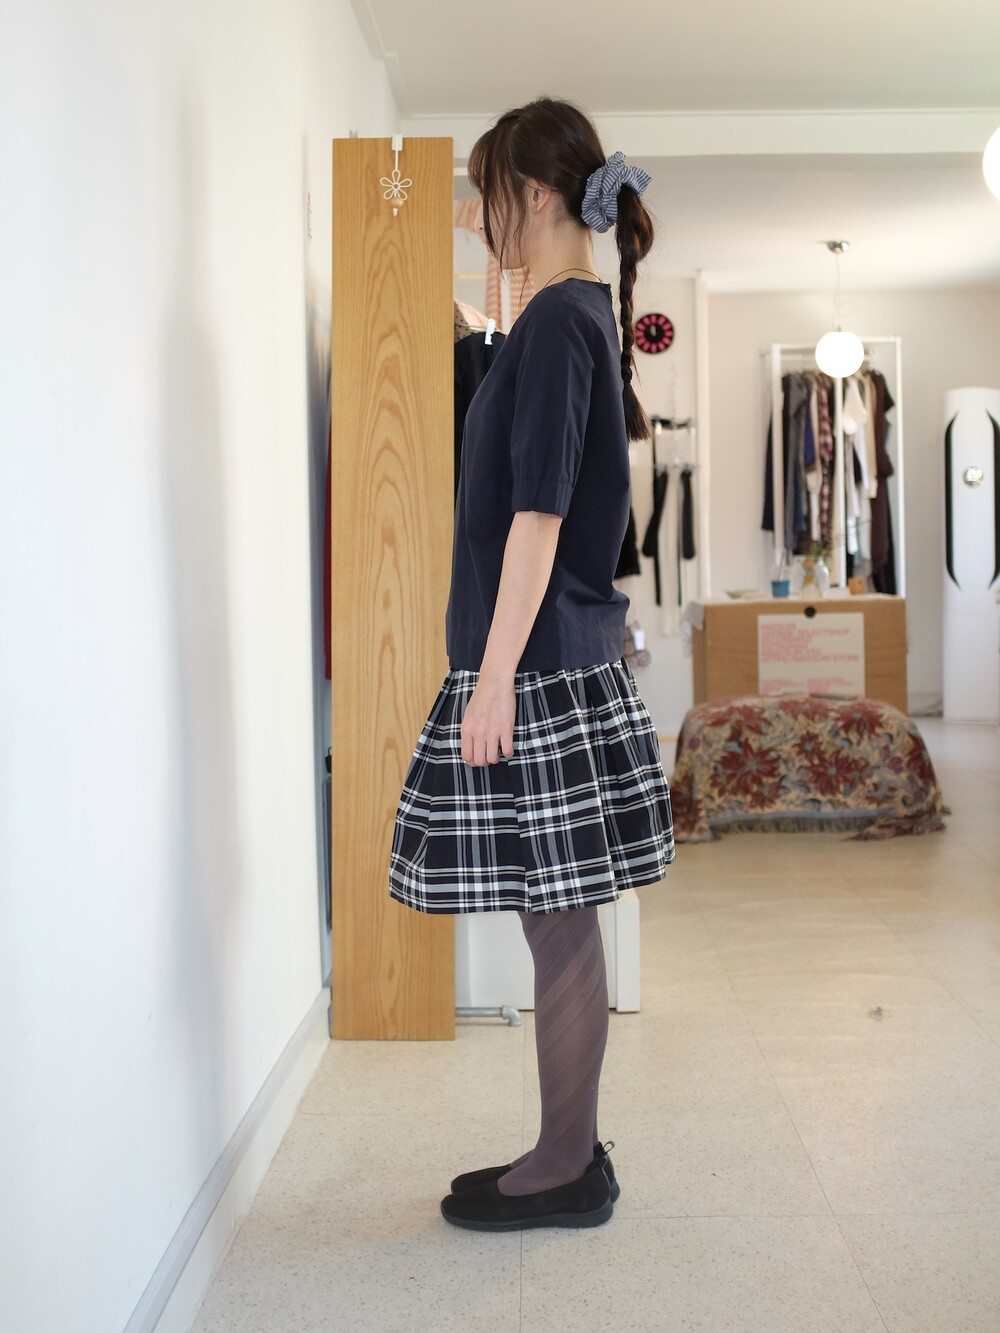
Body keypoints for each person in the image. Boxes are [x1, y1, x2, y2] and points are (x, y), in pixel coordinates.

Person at [388, 96, 675, 1232]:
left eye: (491, 196)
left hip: (538, 660)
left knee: (556, 924)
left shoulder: (558, 321)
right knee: (558, 919)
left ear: (540, 195)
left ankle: (564, 1166)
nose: (481, 217)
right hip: (555, 652)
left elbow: (539, 514)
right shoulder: (569, 311)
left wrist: (497, 672)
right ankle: (568, 1151)